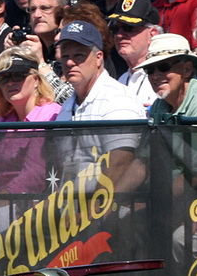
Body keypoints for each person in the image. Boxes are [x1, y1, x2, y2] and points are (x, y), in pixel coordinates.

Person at [54, 20, 146, 192]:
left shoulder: (118, 99)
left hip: (111, 209)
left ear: (98, 58)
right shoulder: (66, 106)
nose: (70, 63)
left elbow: (121, 163)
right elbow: (61, 166)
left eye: (79, 55)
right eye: (65, 56)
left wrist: (93, 212)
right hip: (69, 207)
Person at [138, 33, 197, 186]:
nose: (155, 75)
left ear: (187, 69)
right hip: (165, 194)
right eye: (149, 69)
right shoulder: (159, 105)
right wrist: (109, 200)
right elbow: (141, 162)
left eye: (163, 67)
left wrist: (152, 206)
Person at [0, 48, 61, 196]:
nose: (10, 83)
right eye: (3, 78)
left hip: (33, 206)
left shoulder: (50, 115)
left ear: (36, 80)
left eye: (18, 76)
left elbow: (34, 174)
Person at [106, 0, 164, 108]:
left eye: (129, 28)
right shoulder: (121, 80)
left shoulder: (165, 76)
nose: (119, 35)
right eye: (115, 29)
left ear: (152, 34)